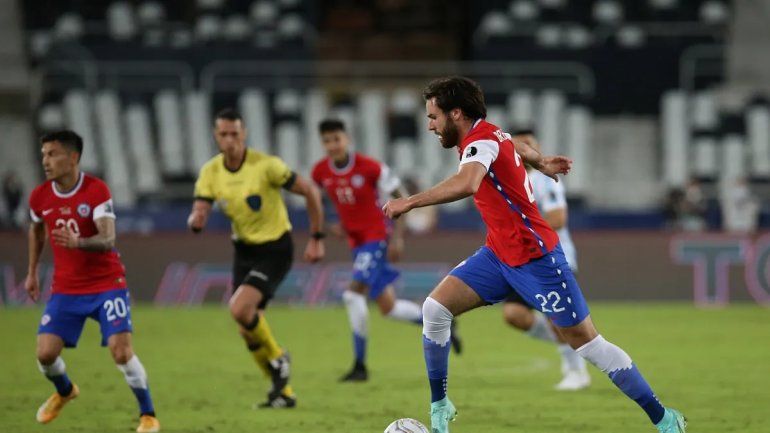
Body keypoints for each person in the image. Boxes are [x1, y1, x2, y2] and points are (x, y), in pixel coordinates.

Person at [382, 77, 687, 433]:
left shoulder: (480, 142)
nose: (430, 125)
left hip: (537, 259)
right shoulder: (488, 135)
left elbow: (467, 183)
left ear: (457, 113)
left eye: (434, 117)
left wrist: (410, 202)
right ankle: (440, 407)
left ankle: (665, 419)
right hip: (498, 255)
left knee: (588, 343)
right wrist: (540, 161)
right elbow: (512, 143)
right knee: (435, 309)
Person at [187, 108, 325, 408]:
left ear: (244, 134)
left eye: (235, 134)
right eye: (224, 134)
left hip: (275, 248)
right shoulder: (211, 171)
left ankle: (279, 358)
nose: (230, 140)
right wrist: (197, 218)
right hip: (244, 250)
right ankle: (283, 393)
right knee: (246, 328)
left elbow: (310, 191)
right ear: (216, 136)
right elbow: (201, 206)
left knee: (239, 308)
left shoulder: (266, 166)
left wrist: (316, 238)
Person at [25, 130, 160, 432]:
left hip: (106, 284)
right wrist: (32, 272)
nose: (45, 161)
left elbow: (108, 238)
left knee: (121, 351)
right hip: (66, 288)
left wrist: (78, 242)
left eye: (52, 154)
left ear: (73, 157)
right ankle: (65, 391)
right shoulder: (39, 196)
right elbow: (36, 229)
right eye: (44, 154)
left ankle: (148, 415)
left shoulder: (96, 190)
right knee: (45, 354)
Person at [310, 119, 461, 382]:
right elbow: (314, 199)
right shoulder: (320, 172)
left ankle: (360, 366)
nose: (333, 145)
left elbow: (399, 196)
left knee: (352, 295)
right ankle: (441, 322)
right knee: (388, 308)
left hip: (377, 237)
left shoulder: (371, 167)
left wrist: (397, 238)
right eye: (327, 141)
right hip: (357, 244)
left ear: (347, 139)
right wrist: (328, 226)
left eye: (337, 139)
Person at [501, 131, 590, 391]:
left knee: (555, 316)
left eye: (529, 144)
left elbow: (558, 218)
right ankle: (575, 342)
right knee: (514, 314)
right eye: (520, 145)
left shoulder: (545, 179)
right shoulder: (508, 180)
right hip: (524, 258)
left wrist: (522, 231)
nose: (525, 150)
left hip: (554, 255)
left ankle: (576, 371)